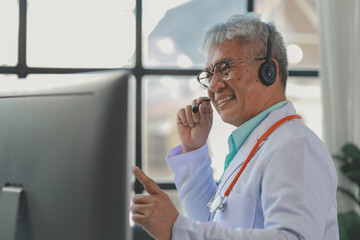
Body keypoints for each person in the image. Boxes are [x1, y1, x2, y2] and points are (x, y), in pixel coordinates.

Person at [131, 13, 339, 240]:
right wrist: (193, 150)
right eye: (209, 74)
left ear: (269, 70)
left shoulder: (296, 147)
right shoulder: (255, 144)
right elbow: (209, 221)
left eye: (225, 68)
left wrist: (177, 229)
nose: (213, 86)